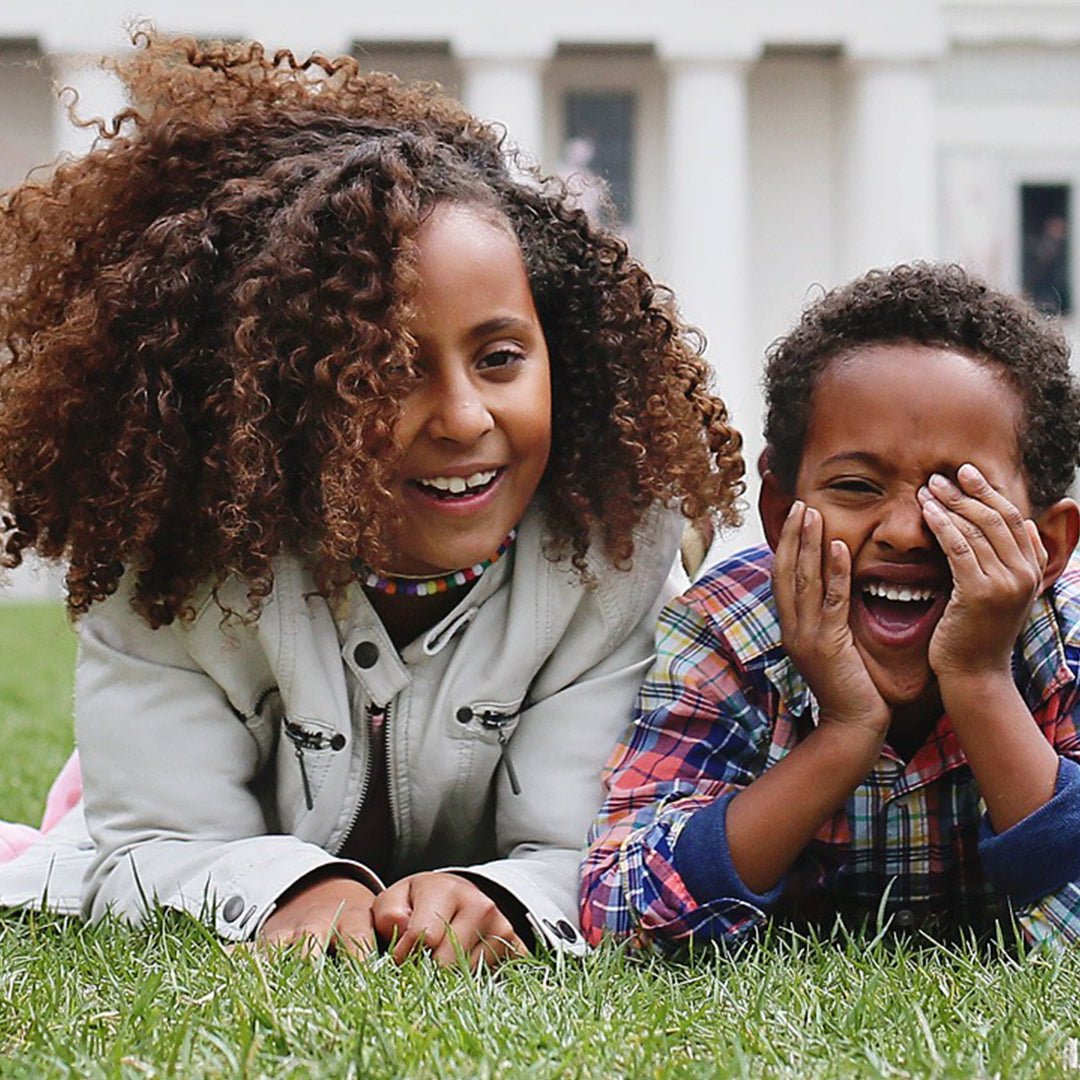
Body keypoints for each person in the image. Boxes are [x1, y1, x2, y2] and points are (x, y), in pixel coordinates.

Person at [0, 32, 743, 968]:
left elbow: (589, 849)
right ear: (264, 394)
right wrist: (293, 889)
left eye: (501, 356)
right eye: (385, 372)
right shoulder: (170, 562)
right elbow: (152, 848)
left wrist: (499, 898)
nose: (464, 416)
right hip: (175, 814)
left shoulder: (608, 555)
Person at [581, 262, 1080, 951]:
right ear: (783, 514)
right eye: (854, 486)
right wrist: (844, 732)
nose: (904, 531)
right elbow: (618, 910)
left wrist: (981, 681)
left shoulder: (1068, 648)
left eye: (956, 494)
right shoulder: (725, 636)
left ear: (1048, 544)